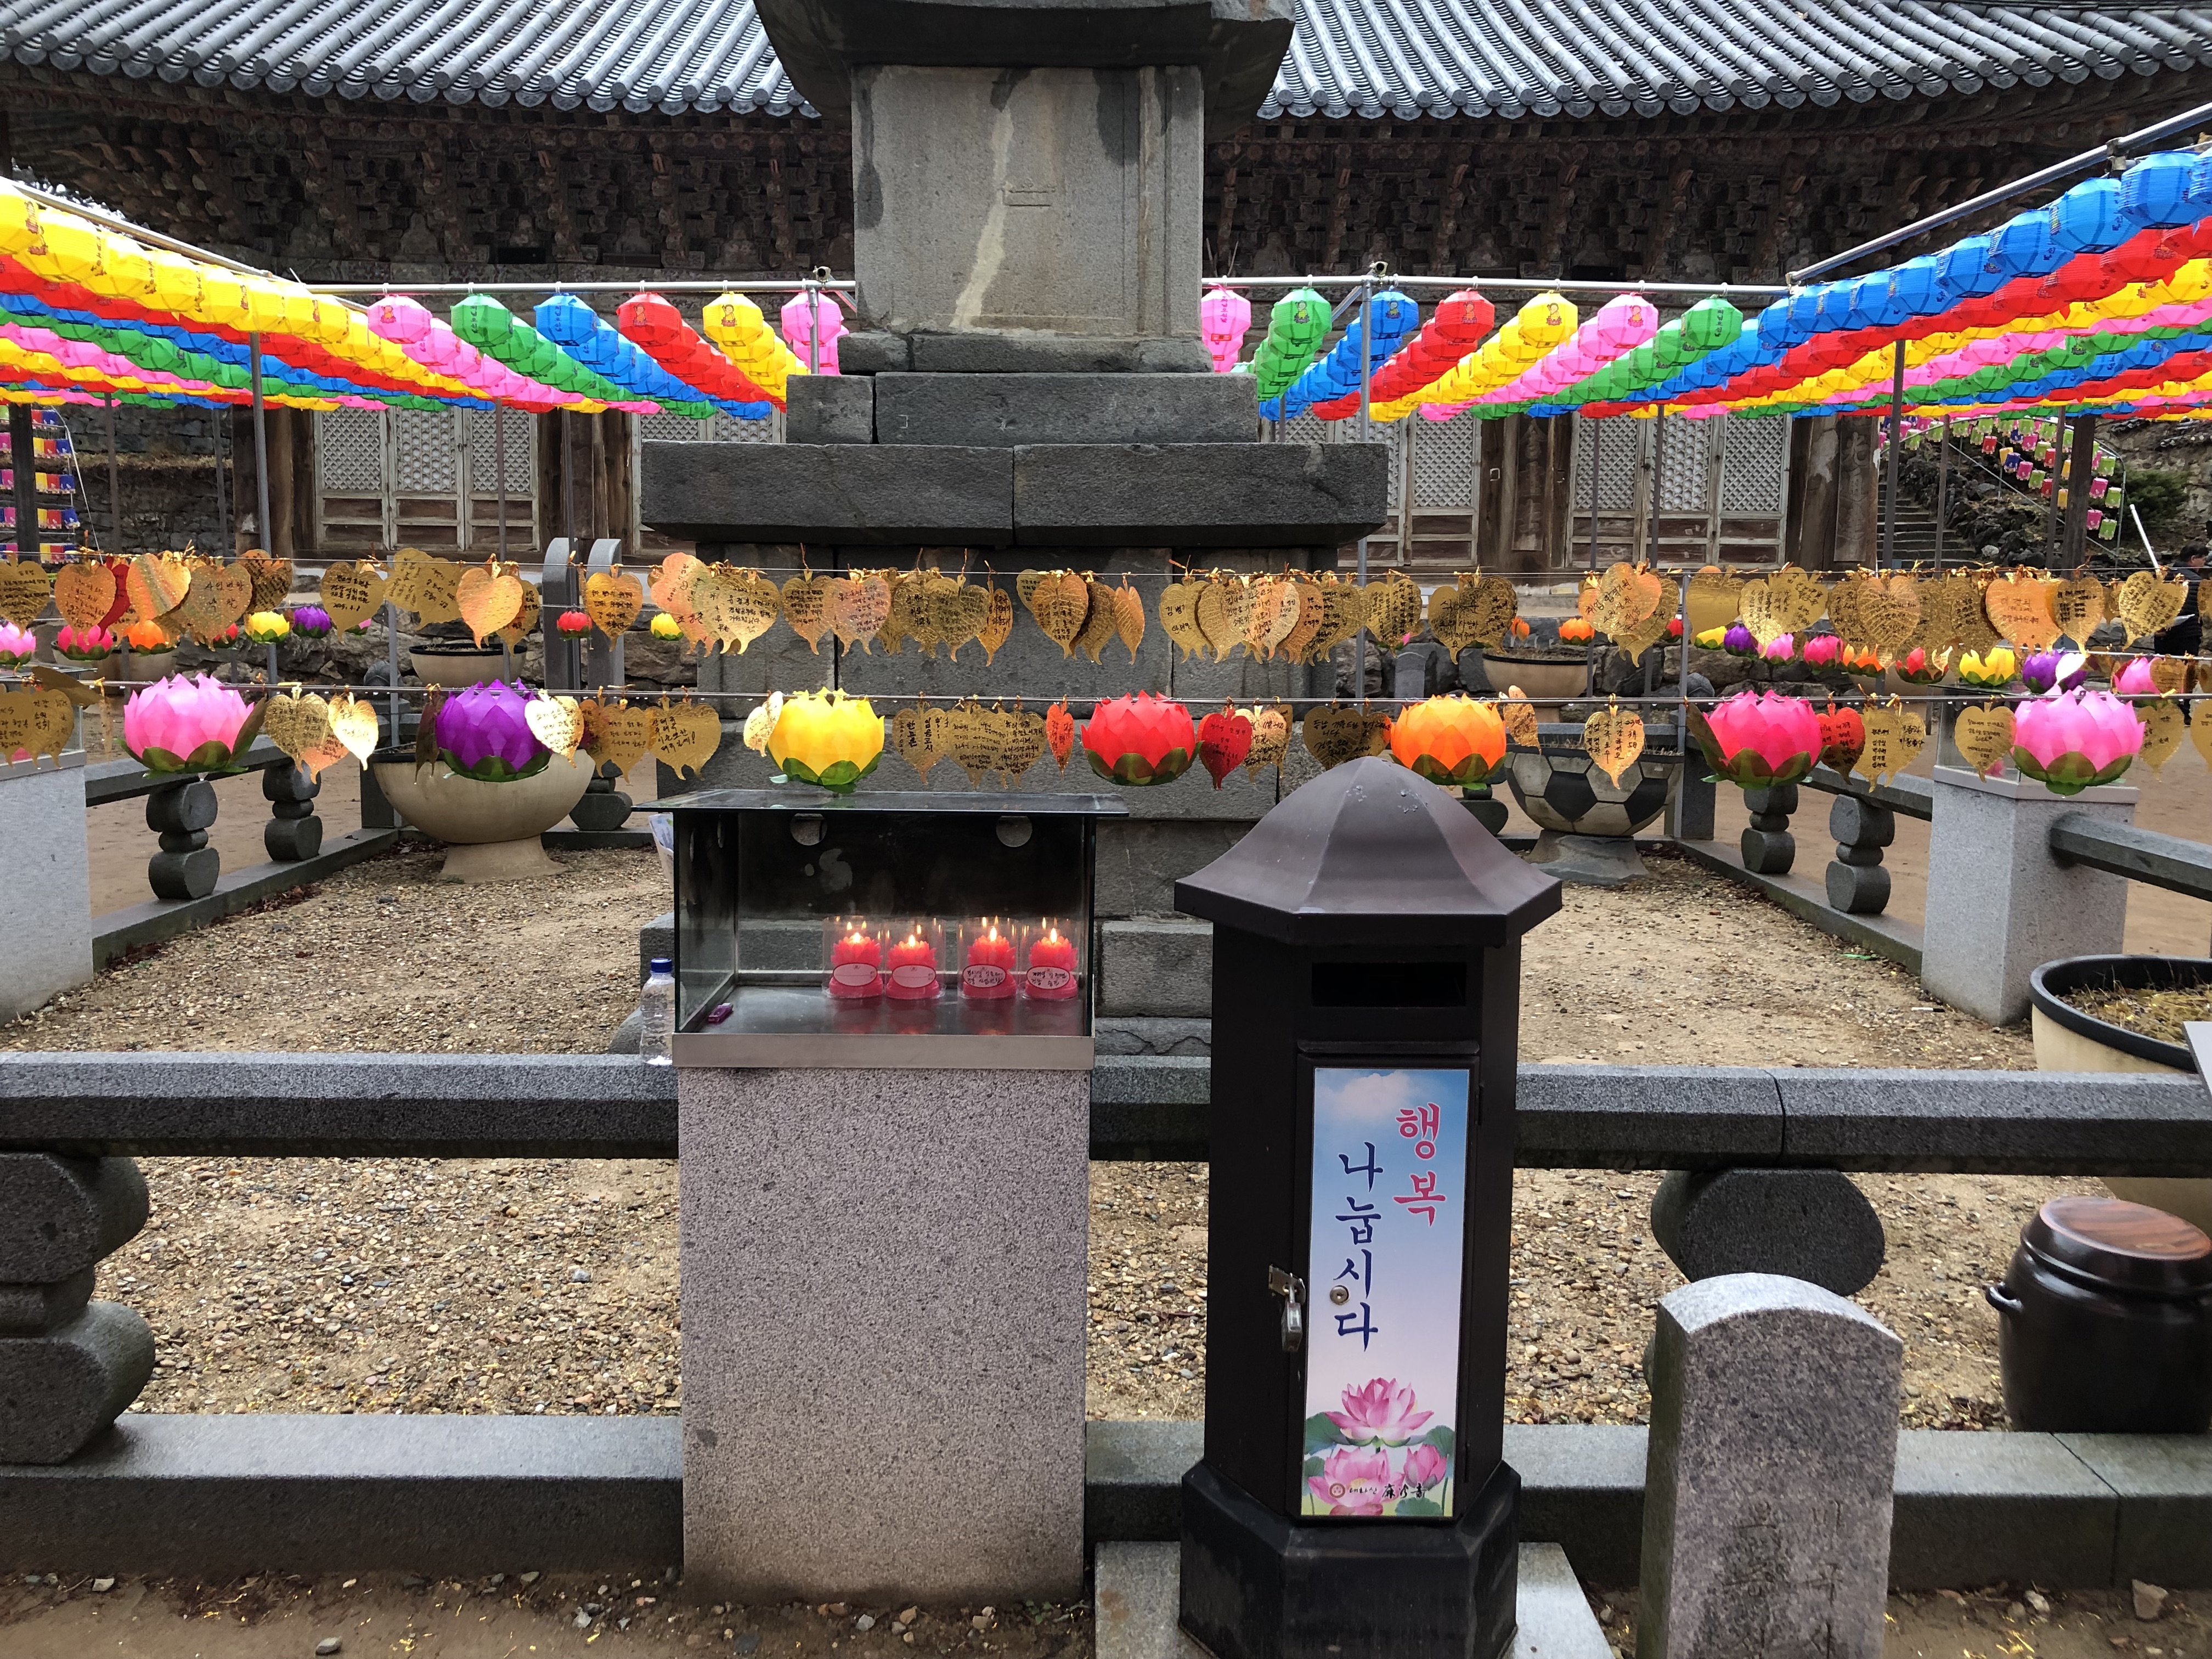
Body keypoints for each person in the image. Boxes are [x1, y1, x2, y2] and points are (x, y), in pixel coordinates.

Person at [2156, 543, 2205, 660]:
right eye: (2203, 560)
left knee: (2163, 668)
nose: (2204, 564)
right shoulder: (2195, 581)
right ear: (2193, 559)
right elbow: (2186, 609)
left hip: (2162, 633)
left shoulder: (2164, 576)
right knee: (2184, 668)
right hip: (2186, 634)